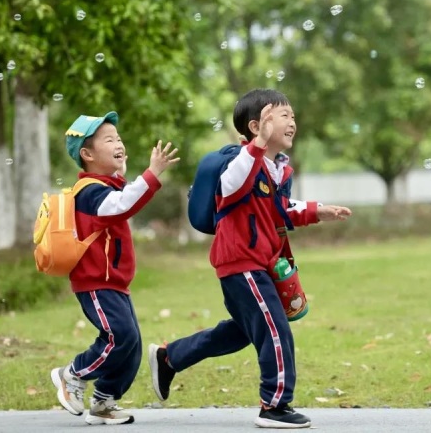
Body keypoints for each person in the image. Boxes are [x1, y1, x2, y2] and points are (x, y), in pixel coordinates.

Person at [148, 88, 352, 429]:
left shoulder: (278, 171)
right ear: (257, 126)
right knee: (275, 328)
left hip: (261, 263)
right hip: (240, 262)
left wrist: (319, 211)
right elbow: (231, 184)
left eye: (292, 116)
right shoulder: (239, 163)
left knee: (244, 331)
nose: (292, 122)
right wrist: (256, 145)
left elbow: (281, 211)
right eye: (283, 116)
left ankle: (169, 358)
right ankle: (274, 405)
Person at [50, 111, 179, 425]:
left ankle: (104, 399)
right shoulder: (89, 192)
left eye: (119, 138)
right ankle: (72, 374)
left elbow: (121, 196)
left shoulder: (106, 187)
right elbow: (121, 205)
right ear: (88, 154)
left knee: (132, 343)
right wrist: (151, 174)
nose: (119, 143)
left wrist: (125, 173)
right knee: (119, 335)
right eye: (109, 140)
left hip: (114, 282)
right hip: (94, 281)